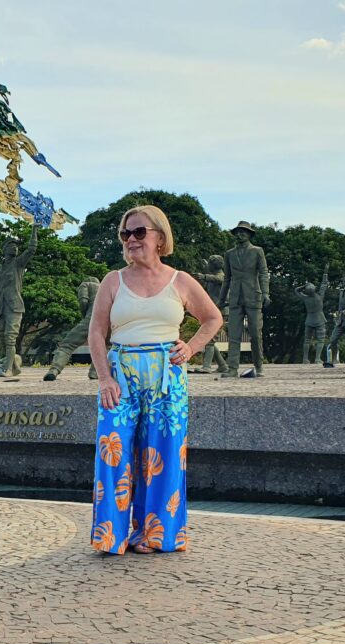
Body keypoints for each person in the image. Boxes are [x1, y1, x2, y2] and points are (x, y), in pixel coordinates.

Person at [88, 205, 222, 555]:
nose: (131, 240)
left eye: (139, 232)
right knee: (113, 451)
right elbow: (96, 333)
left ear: (160, 237)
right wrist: (104, 379)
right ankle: (110, 535)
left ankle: (154, 534)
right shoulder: (113, 281)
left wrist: (190, 348)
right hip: (121, 374)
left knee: (163, 453)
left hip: (167, 375)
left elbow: (212, 318)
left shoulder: (180, 281)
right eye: (125, 234)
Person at [218, 221, 270, 377]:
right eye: (238, 232)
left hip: (253, 296)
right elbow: (227, 278)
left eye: (243, 232)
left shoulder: (257, 251)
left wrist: (266, 293)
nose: (240, 234)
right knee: (234, 335)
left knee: (255, 333)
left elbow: (263, 273)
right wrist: (221, 300)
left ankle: (259, 365)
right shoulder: (229, 254)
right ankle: (232, 368)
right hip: (235, 298)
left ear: (249, 234)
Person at [0, 226, 38, 377]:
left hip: (15, 306)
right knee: (2, 338)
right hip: (2, 308)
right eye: (11, 245)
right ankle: (13, 365)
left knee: (10, 338)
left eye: (16, 246)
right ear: (4, 249)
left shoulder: (18, 264)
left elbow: (31, 250)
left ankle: (8, 369)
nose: (15, 248)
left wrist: (34, 230)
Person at [43, 276, 100, 381]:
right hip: (108, 322)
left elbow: (83, 301)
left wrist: (85, 316)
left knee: (67, 345)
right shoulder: (105, 287)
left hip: (91, 319)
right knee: (105, 347)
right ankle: (95, 372)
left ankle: (54, 370)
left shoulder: (86, 284)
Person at [294, 266, 329, 364]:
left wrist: (303, 286)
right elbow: (324, 284)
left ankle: (305, 358)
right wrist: (325, 272)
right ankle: (317, 358)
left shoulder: (305, 298)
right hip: (320, 319)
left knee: (307, 340)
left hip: (309, 319)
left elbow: (296, 290)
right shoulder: (319, 296)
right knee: (320, 339)